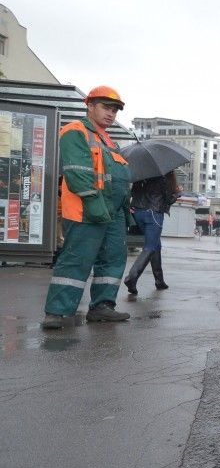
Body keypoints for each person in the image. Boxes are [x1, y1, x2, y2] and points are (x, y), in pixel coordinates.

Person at [41, 86, 133, 329]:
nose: (111, 113)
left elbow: (118, 179)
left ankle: (102, 306)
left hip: (112, 214)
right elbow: (77, 174)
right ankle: (57, 312)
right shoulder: (76, 131)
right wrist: (94, 204)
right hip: (86, 210)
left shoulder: (109, 141)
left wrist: (124, 210)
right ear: (89, 105)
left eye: (114, 110)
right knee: (76, 258)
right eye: (106, 107)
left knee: (112, 259)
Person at [124, 171, 181, 294]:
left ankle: (159, 281)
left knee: (156, 245)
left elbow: (133, 193)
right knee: (150, 247)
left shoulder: (140, 177)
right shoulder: (163, 179)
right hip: (153, 214)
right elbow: (167, 200)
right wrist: (177, 194)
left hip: (138, 213)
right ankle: (132, 278)